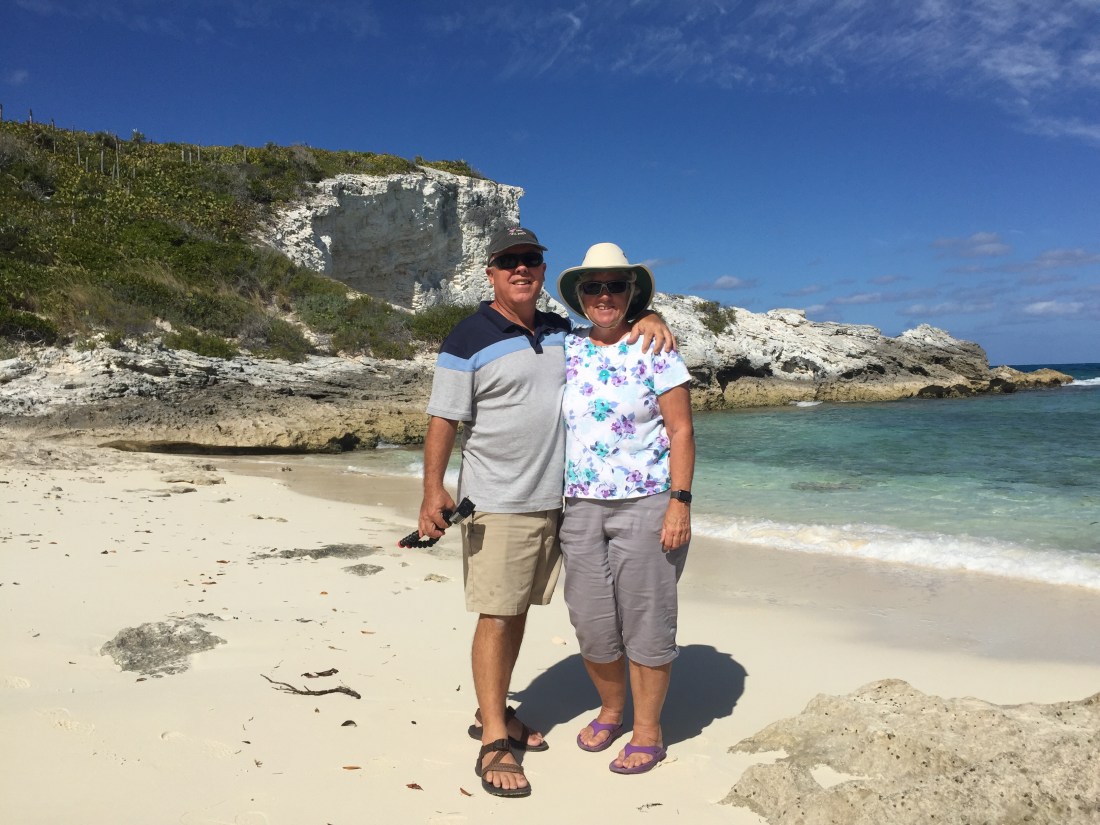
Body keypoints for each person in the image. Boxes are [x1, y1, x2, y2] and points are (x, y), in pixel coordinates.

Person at [416, 227, 673, 798]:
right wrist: (433, 489)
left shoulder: (560, 332)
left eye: (530, 259)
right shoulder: (467, 337)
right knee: (497, 614)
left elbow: (609, 328)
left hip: (557, 503)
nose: (521, 268)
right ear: (491, 272)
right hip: (498, 502)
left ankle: (494, 713)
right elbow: (443, 418)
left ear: (542, 269)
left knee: (517, 614)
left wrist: (649, 316)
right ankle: (493, 739)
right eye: (509, 260)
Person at [555, 242, 695, 775]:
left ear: (631, 292)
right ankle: (612, 709)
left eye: (616, 285)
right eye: (593, 286)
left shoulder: (654, 348)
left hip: (647, 501)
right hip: (579, 506)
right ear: (580, 295)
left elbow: (681, 431)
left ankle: (648, 731)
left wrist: (679, 502)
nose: (605, 295)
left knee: (647, 621)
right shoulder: (565, 346)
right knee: (591, 622)